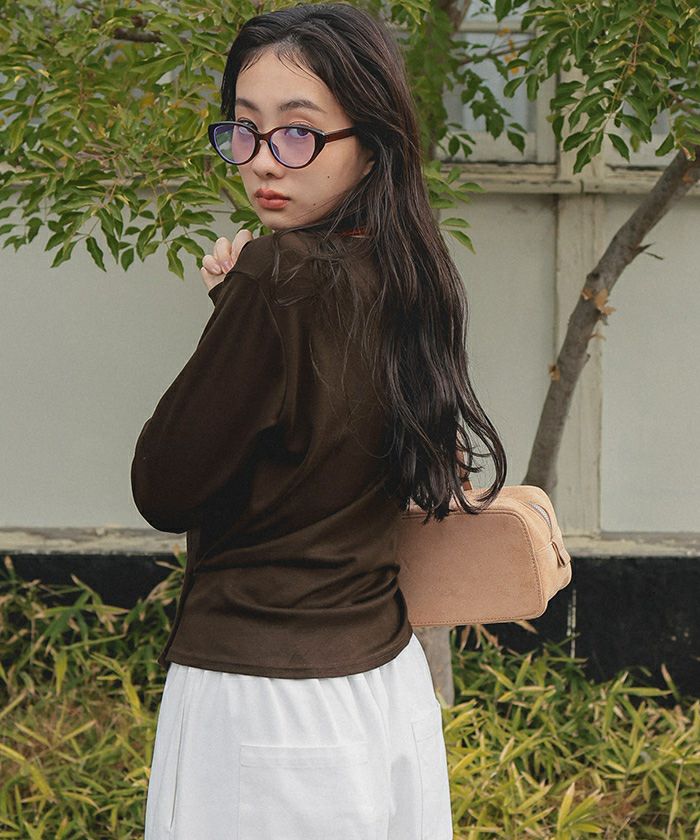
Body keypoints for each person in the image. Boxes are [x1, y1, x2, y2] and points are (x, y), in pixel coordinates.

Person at [131, 3, 507, 838]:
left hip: (264, 702)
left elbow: (164, 486)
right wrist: (241, 315)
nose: (264, 160)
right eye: (245, 129)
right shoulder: (409, 272)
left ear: (368, 141)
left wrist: (239, 312)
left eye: (298, 132)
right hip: (384, 688)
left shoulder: (277, 278)